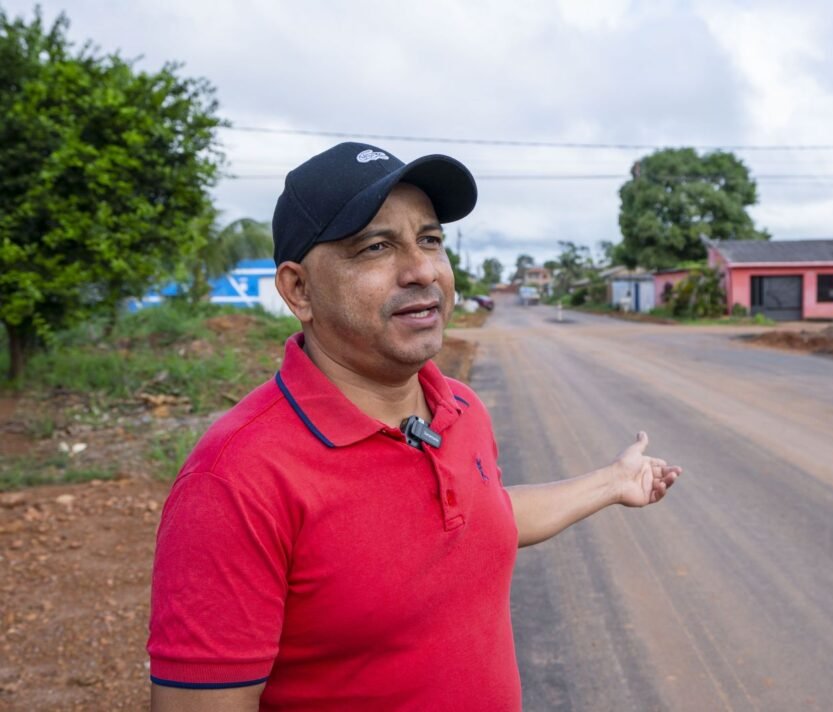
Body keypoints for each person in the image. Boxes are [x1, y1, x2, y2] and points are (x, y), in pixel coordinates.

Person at [147, 142, 681, 711]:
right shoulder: (233, 480)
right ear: (299, 290)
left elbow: (487, 517)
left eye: (430, 240)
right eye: (376, 247)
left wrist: (612, 482)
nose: (422, 270)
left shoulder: (461, 407)